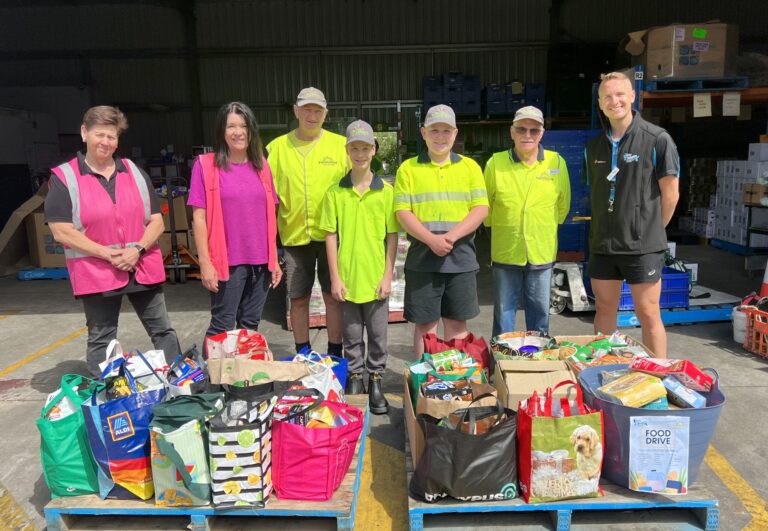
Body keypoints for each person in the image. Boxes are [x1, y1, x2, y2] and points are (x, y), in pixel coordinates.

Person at [45, 105, 180, 377]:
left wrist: (137, 250)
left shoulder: (133, 172)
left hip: (141, 264)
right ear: (84, 133)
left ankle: (178, 381)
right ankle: (106, 390)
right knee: (102, 338)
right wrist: (109, 255)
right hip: (97, 271)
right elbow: (61, 231)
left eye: (112, 136)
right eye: (100, 134)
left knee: (162, 330)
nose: (106, 142)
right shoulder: (65, 177)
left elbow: (156, 221)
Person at [585, 72, 680, 358]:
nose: (614, 101)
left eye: (620, 94)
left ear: (632, 97)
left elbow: (671, 195)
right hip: (603, 244)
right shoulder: (594, 147)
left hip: (643, 247)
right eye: (607, 96)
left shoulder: (657, 139)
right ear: (600, 103)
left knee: (648, 312)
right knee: (604, 308)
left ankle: (658, 373)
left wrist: (651, 230)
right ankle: (603, 369)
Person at [394, 104, 489, 355]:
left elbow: (481, 208)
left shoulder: (470, 167)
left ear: (455, 134)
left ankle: (454, 376)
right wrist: (431, 240)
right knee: (426, 326)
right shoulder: (408, 169)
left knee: (457, 323)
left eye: (446, 131)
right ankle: (424, 377)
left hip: (461, 259)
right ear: (423, 132)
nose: (440, 137)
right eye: (434, 130)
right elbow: (402, 212)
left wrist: (450, 237)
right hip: (423, 261)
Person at [319, 120, 398, 414]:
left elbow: (392, 236)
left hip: (375, 280)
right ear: (347, 150)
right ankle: (355, 377)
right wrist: (335, 277)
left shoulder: (385, 192)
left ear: (374, 150)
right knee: (351, 335)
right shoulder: (335, 193)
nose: (360, 154)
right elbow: (330, 235)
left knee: (378, 335)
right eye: (355, 148)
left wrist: (388, 275)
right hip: (348, 281)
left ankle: (375, 378)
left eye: (366, 148)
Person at [188, 102, 282, 346]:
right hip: (227, 262)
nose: (238, 132)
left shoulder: (262, 166)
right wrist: (205, 263)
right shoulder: (206, 165)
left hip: (261, 261)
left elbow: (270, 215)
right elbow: (199, 218)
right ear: (222, 131)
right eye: (231, 126)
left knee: (250, 325)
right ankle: (213, 371)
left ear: (252, 130)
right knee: (222, 325)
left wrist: (274, 260)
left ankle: (240, 370)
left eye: (244, 126)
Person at [267, 87, 349, 356]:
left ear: (326, 114)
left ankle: (335, 353)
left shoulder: (340, 146)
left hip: (331, 237)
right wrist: (270, 246)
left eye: (317, 110)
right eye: (306, 110)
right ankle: (303, 352)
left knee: (333, 297)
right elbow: (268, 200)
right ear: (296, 111)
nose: (312, 116)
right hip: (294, 237)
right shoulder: (277, 148)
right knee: (298, 298)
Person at [484, 106, 571, 336]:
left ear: (542, 133)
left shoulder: (556, 163)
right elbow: (486, 207)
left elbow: (563, 205)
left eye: (534, 130)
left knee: (540, 315)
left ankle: (538, 357)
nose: (527, 135)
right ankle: (502, 358)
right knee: (503, 315)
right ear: (512, 132)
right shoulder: (495, 164)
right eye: (521, 129)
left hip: (541, 251)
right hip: (506, 251)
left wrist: (540, 226)